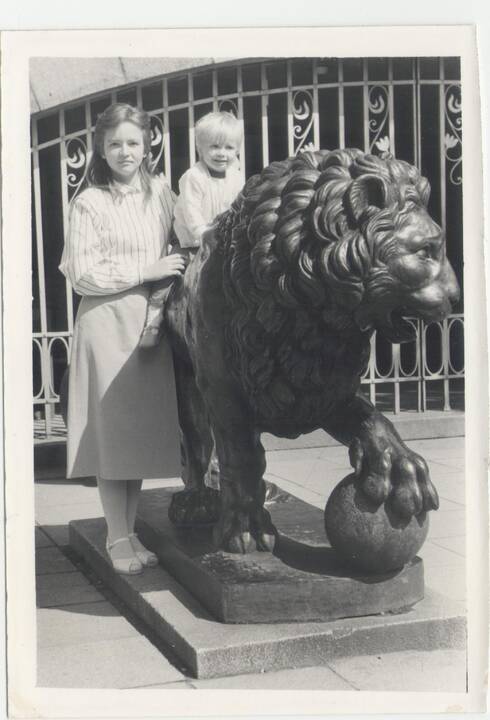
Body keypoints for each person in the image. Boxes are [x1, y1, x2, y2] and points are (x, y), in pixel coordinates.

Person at [59, 103, 186, 575]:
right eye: (115, 144)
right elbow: (81, 273)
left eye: (133, 142)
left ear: (148, 143)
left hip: (149, 323)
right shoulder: (89, 201)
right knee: (112, 438)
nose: (125, 151)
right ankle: (115, 537)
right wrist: (143, 271)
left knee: (134, 439)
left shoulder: (162, 194)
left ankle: (130, 531)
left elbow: (188, 236)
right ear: (100, 149)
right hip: (107, 321)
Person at [138, 111, 243, 348]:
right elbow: (191, 211)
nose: (222, 153)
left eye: (229, 147)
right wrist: (204, 233)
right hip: (191, 241)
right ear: (200, 147)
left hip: (224, 240)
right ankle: (153, 321)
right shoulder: (193, 177)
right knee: (168, 277)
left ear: (237, 150)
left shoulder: (236, 178)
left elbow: (239, 208)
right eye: (214, 146)